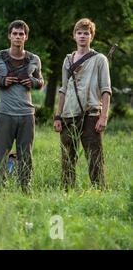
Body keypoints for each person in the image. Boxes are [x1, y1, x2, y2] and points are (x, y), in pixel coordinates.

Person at [0, 20, 44, 191]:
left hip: (27, 114)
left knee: (26, 154)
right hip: (5, 113)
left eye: (21, 34)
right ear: (9, 36)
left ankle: (25, 187)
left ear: (26, 37)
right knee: (1, 153)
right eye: (15, 33)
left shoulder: (34, 59)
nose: (18, 36)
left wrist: (33, 82)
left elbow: (41, 82)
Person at [53, 18, 111, 190]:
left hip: (91, 114)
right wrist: (58, 115)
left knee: (95, 158)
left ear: (91, 36)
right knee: (67, 159)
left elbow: (106, 90)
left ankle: (99, 191)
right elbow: (63, 89)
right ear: (74, 36)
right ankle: (67, 191)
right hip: (69, 115)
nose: (82, 36)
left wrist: (103, 116)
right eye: (79, 33)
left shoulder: (100, 59)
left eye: (86, 33)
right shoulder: (68, 60)